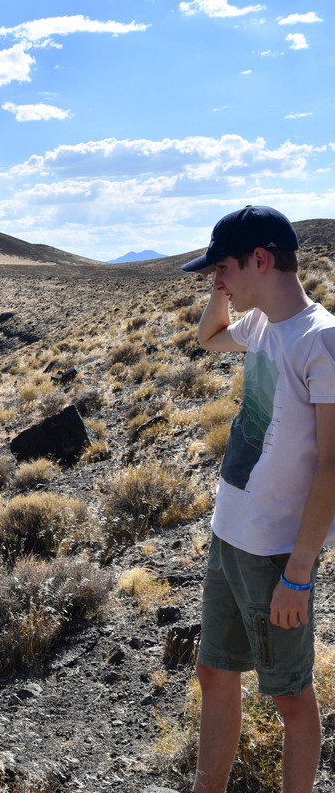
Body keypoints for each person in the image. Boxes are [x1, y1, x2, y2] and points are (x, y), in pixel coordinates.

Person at [183, 205, 335, 793]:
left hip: (275, 552)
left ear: (262, 260)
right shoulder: (263, 325)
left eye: (223, 268)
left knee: (291, 698)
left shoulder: (321, 340)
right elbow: (208, 337)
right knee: (213, 670)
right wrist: (218, 284)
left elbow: (332, 464)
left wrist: (299, 573)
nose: (217, 281)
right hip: (231, 534)